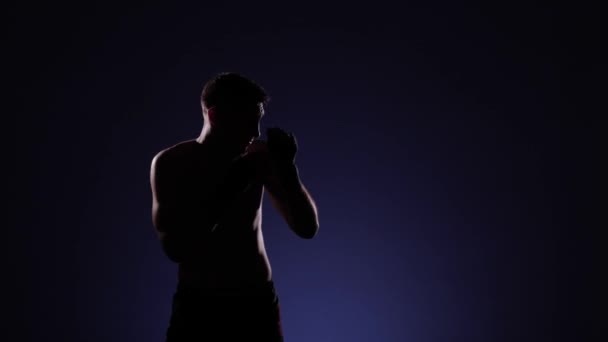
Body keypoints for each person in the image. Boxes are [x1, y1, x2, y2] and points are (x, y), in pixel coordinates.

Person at [149, 72, 320, 341]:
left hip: (257, 304)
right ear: (215, 116)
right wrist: (230, 187)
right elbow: (175, 248)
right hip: (200, 308)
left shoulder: (258, 160)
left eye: (258, 121)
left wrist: (289, 173)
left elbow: (307, 228)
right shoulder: (173, 163)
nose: (255, 133)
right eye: (247, 123)